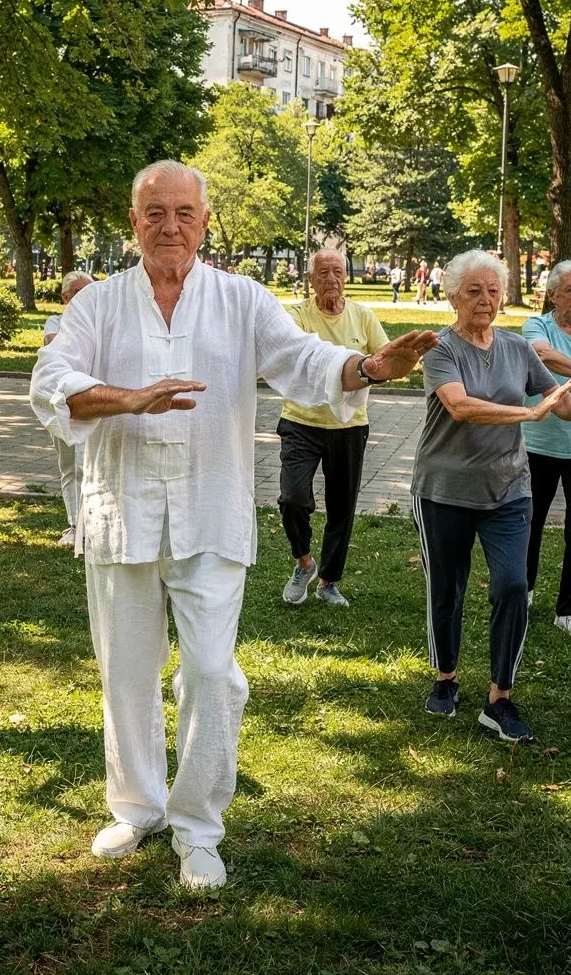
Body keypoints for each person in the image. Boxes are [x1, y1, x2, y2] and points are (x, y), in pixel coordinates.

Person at [30, 160, 435, 889]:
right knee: (126, 672)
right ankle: (138, 806)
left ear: (205, 221)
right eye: (156, 212)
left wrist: (370, 369)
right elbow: (50, 383)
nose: (170, 226)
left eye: (184, 212)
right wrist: (128, 399)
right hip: (122, 510)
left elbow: (305, 359)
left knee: (212, 674)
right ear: (134, 222)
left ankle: (198, 825)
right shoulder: (99, 304)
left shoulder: (240, 298)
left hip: (209, 509)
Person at [410, 251, 571, 743]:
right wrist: (528, 414)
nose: (486, 299)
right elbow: (460, 407)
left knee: (512, 586)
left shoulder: (517, 347)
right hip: (443, 491)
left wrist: (561, 400)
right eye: (474, 291)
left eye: (494, 291)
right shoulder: (440, 349)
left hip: (508, 489)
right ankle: (446, 677)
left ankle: (499, 697)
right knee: (447, 589)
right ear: (453, 296)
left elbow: (558, 403)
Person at [279, 250, 389, 610]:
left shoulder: (362, 316)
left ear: (346, 276)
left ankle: (328, 581)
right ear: (310, 279)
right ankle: (304, 563)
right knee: (293, 498)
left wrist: (392, 360)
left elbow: (384, 357)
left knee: (342, 506)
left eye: (337, 271)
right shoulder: (297, 315)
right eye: (323, 272)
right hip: (301, 421)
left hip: (349, 426)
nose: (331, 278)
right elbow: (291, 351)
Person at [522, 261, 571, 629]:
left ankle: (567, 608)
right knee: (528, 522)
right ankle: (522, 592)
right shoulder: (538, 325)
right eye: (570, 290)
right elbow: (542, 355)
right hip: (537, 443)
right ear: (553, 295)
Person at [43, 272, 95, 545]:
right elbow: (58, 351)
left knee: (93, 466)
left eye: (91, 290)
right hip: (65, 403)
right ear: (66, 298)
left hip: (97, 402)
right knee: (71, 466)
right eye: (80, 292)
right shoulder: (56, 322)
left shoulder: (100, 322)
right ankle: (76, 526)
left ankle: (96, 527)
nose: (88, 296)